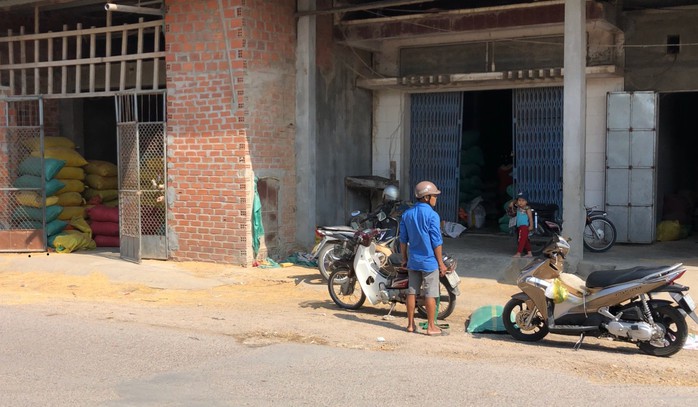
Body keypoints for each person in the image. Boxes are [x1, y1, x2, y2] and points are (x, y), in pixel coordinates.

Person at [399, 180, 448, 336]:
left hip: (413, 260)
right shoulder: (433, 216)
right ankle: (431, 326)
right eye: (434, 196)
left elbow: (403, 240)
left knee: (411, 292)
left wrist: (404, 258)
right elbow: (437, 242)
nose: (436, 199)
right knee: (430, 293)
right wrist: (441, 264)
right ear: (426, 197)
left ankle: (410, 325)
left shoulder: (407, 215)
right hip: (429, 262)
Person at [508, 191, 534, 257]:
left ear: (526, 202)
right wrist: (512, 203)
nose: (521, 202)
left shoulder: (527, 209)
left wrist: (531, 225)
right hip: (519, 226)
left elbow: (530, 218)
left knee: (521, 240)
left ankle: (519, 253)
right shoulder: (518, 207)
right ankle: (529, 253)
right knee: (525, 240)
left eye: (523, 200)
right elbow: (513, 203)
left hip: (524, 226)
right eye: (519, 200)